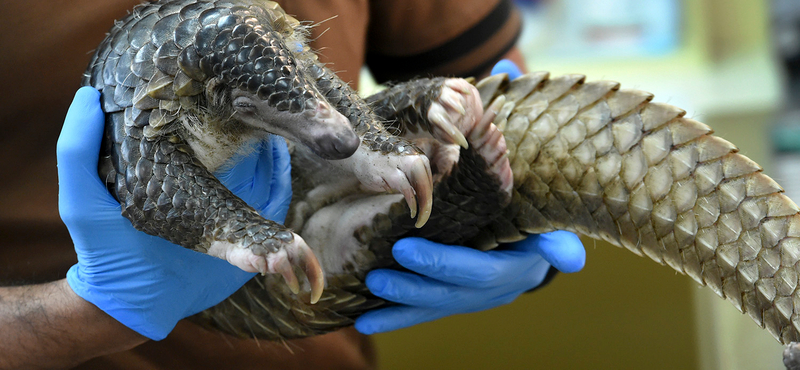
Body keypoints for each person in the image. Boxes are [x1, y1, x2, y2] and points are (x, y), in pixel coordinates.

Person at [0, 1, 585, 369]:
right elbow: (158, 182)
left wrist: (518, 219)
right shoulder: (152, 123)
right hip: (243, 300)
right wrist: (86, 315)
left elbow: (319, 93)